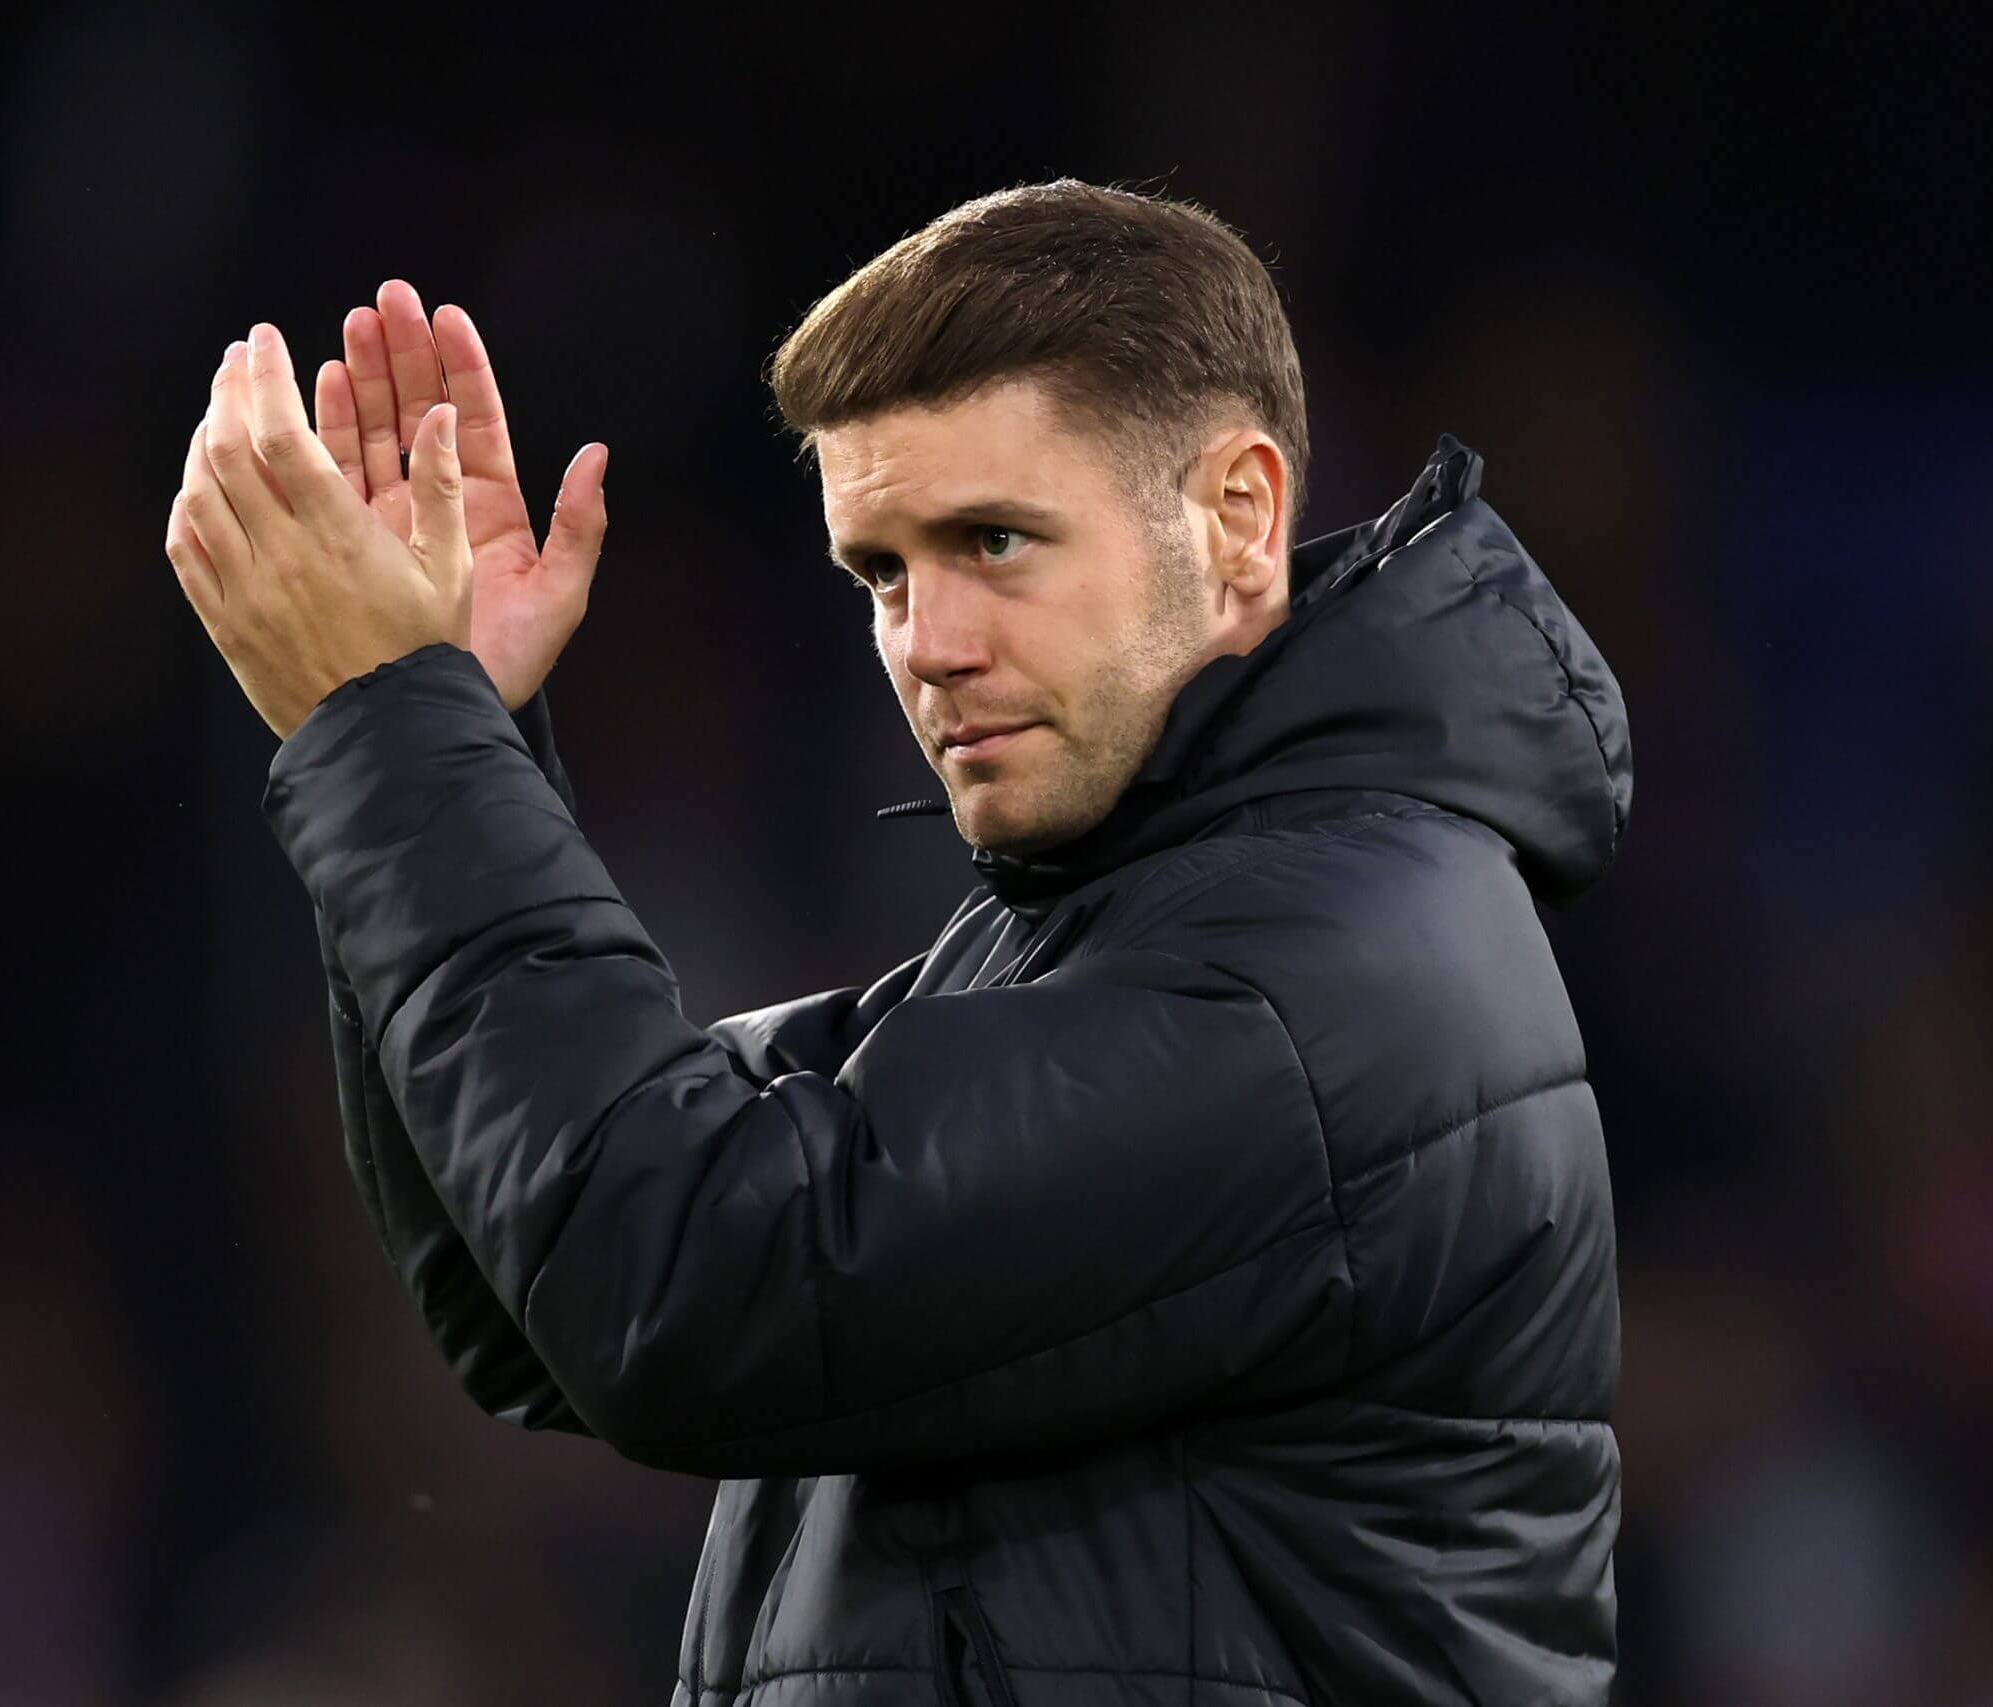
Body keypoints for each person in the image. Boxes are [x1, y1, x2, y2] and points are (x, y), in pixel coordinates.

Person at [164, 179, 1633, 1707]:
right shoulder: (1110, 936)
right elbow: (525, 1285)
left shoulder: (1327, 984)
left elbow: (682, 1281)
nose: (927, 644)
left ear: (1239, 518)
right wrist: (451, 733)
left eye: (994, 541)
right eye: (880, 571)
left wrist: (403, 746)